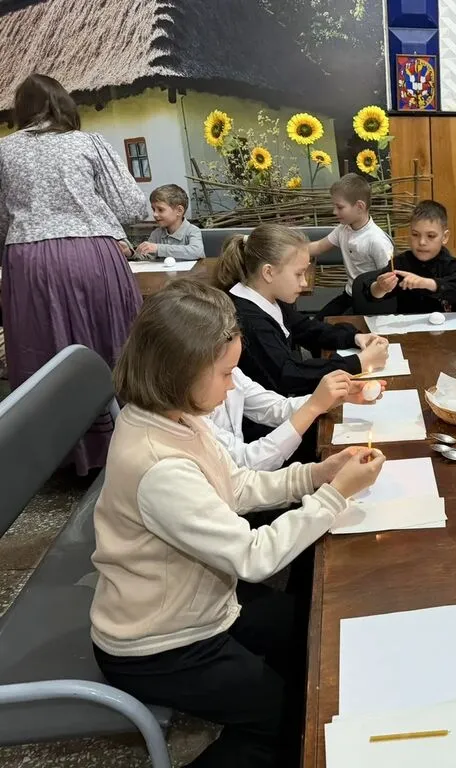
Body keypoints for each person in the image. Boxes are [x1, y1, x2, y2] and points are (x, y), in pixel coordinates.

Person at [90, 279, 385, 768]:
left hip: (204, 601)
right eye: (226, 373)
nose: (232, 386)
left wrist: (316, 475)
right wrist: (333, 496)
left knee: (313, 634)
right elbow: (253, 556)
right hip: (160, 643)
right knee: (286, 722)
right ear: (180, 371)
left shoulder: (175, 414)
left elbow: (237, 485)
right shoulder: (159, 465)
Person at [0, 73, 148, 473]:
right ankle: (132, 441)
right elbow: (133, 206)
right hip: (92, 254)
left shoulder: (3, 150)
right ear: (64, 105)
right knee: (113, 339)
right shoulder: (89, 143)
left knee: (43, 351)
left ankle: (63, 454)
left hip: (29, 261)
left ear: (21, 110)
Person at [214, 223, 389, 395]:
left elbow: (306, 328)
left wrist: (354, 337)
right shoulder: (248, 321)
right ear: (268, 272)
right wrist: (359, 362)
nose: (304, 282)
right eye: (298, 274)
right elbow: (288, 376)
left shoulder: (271, 298)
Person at [206, 368, 382, 471]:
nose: (232, 384)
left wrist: (332, 398)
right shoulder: (195, 419)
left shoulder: (230, 372)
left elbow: (275, 408)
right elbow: (247, 463)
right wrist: (314, 406)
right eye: (226, 373)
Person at [355, 200, 456, 314]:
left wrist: (427, 283)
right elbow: (370, 294)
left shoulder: (450, 264)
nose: (422, 242)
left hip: (445, 325)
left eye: (431, 236)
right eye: (415, 234)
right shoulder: (401, 263)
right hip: (408, 325)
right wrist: (380, 287)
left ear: (444, 237)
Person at [308, 174, 393, 317]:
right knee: (317, 322)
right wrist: (286, 251)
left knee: (332, 328)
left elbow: (389, 281)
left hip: (370, 302)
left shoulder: (377, 241)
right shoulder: (343, 229)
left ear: (359, 206)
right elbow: (318, 247)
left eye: (340, 207)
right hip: (349, 295)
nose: (334, 212)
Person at [135, 184, 204, 261]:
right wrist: (130, 253)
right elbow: (147, 258)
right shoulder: (156, 234)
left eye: (160, 210)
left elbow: (197, 252)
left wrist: (158, 248)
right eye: (154, 209)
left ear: (179, 211)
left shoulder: (192, 231)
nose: (155, 214)